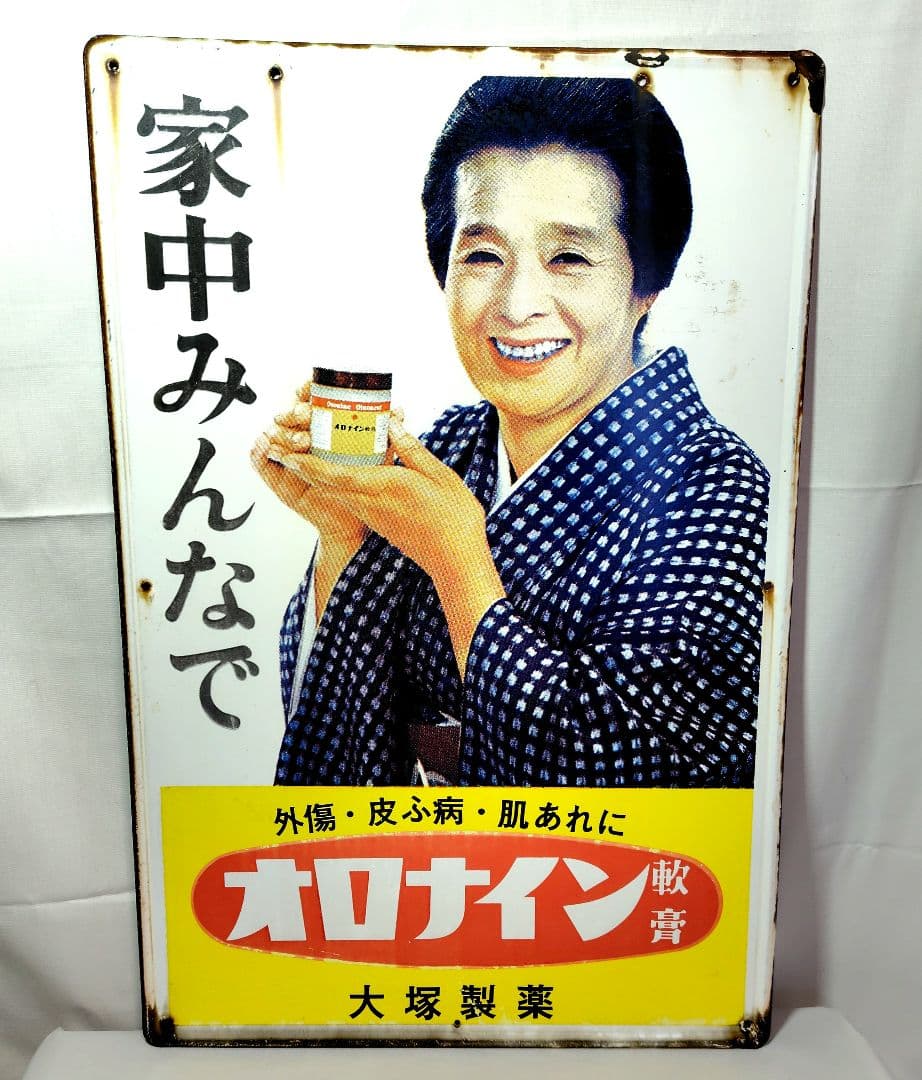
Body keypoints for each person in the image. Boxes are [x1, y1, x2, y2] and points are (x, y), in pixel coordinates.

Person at [252, 76, 769, 788]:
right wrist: (346, 535)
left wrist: (458, 556)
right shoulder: (451, 448)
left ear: (645, 285)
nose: (519, 304)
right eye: (483, 257)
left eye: (569, 258)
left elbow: (650, 775)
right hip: (422, 855)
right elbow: (333, 728)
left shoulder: (717, 487)